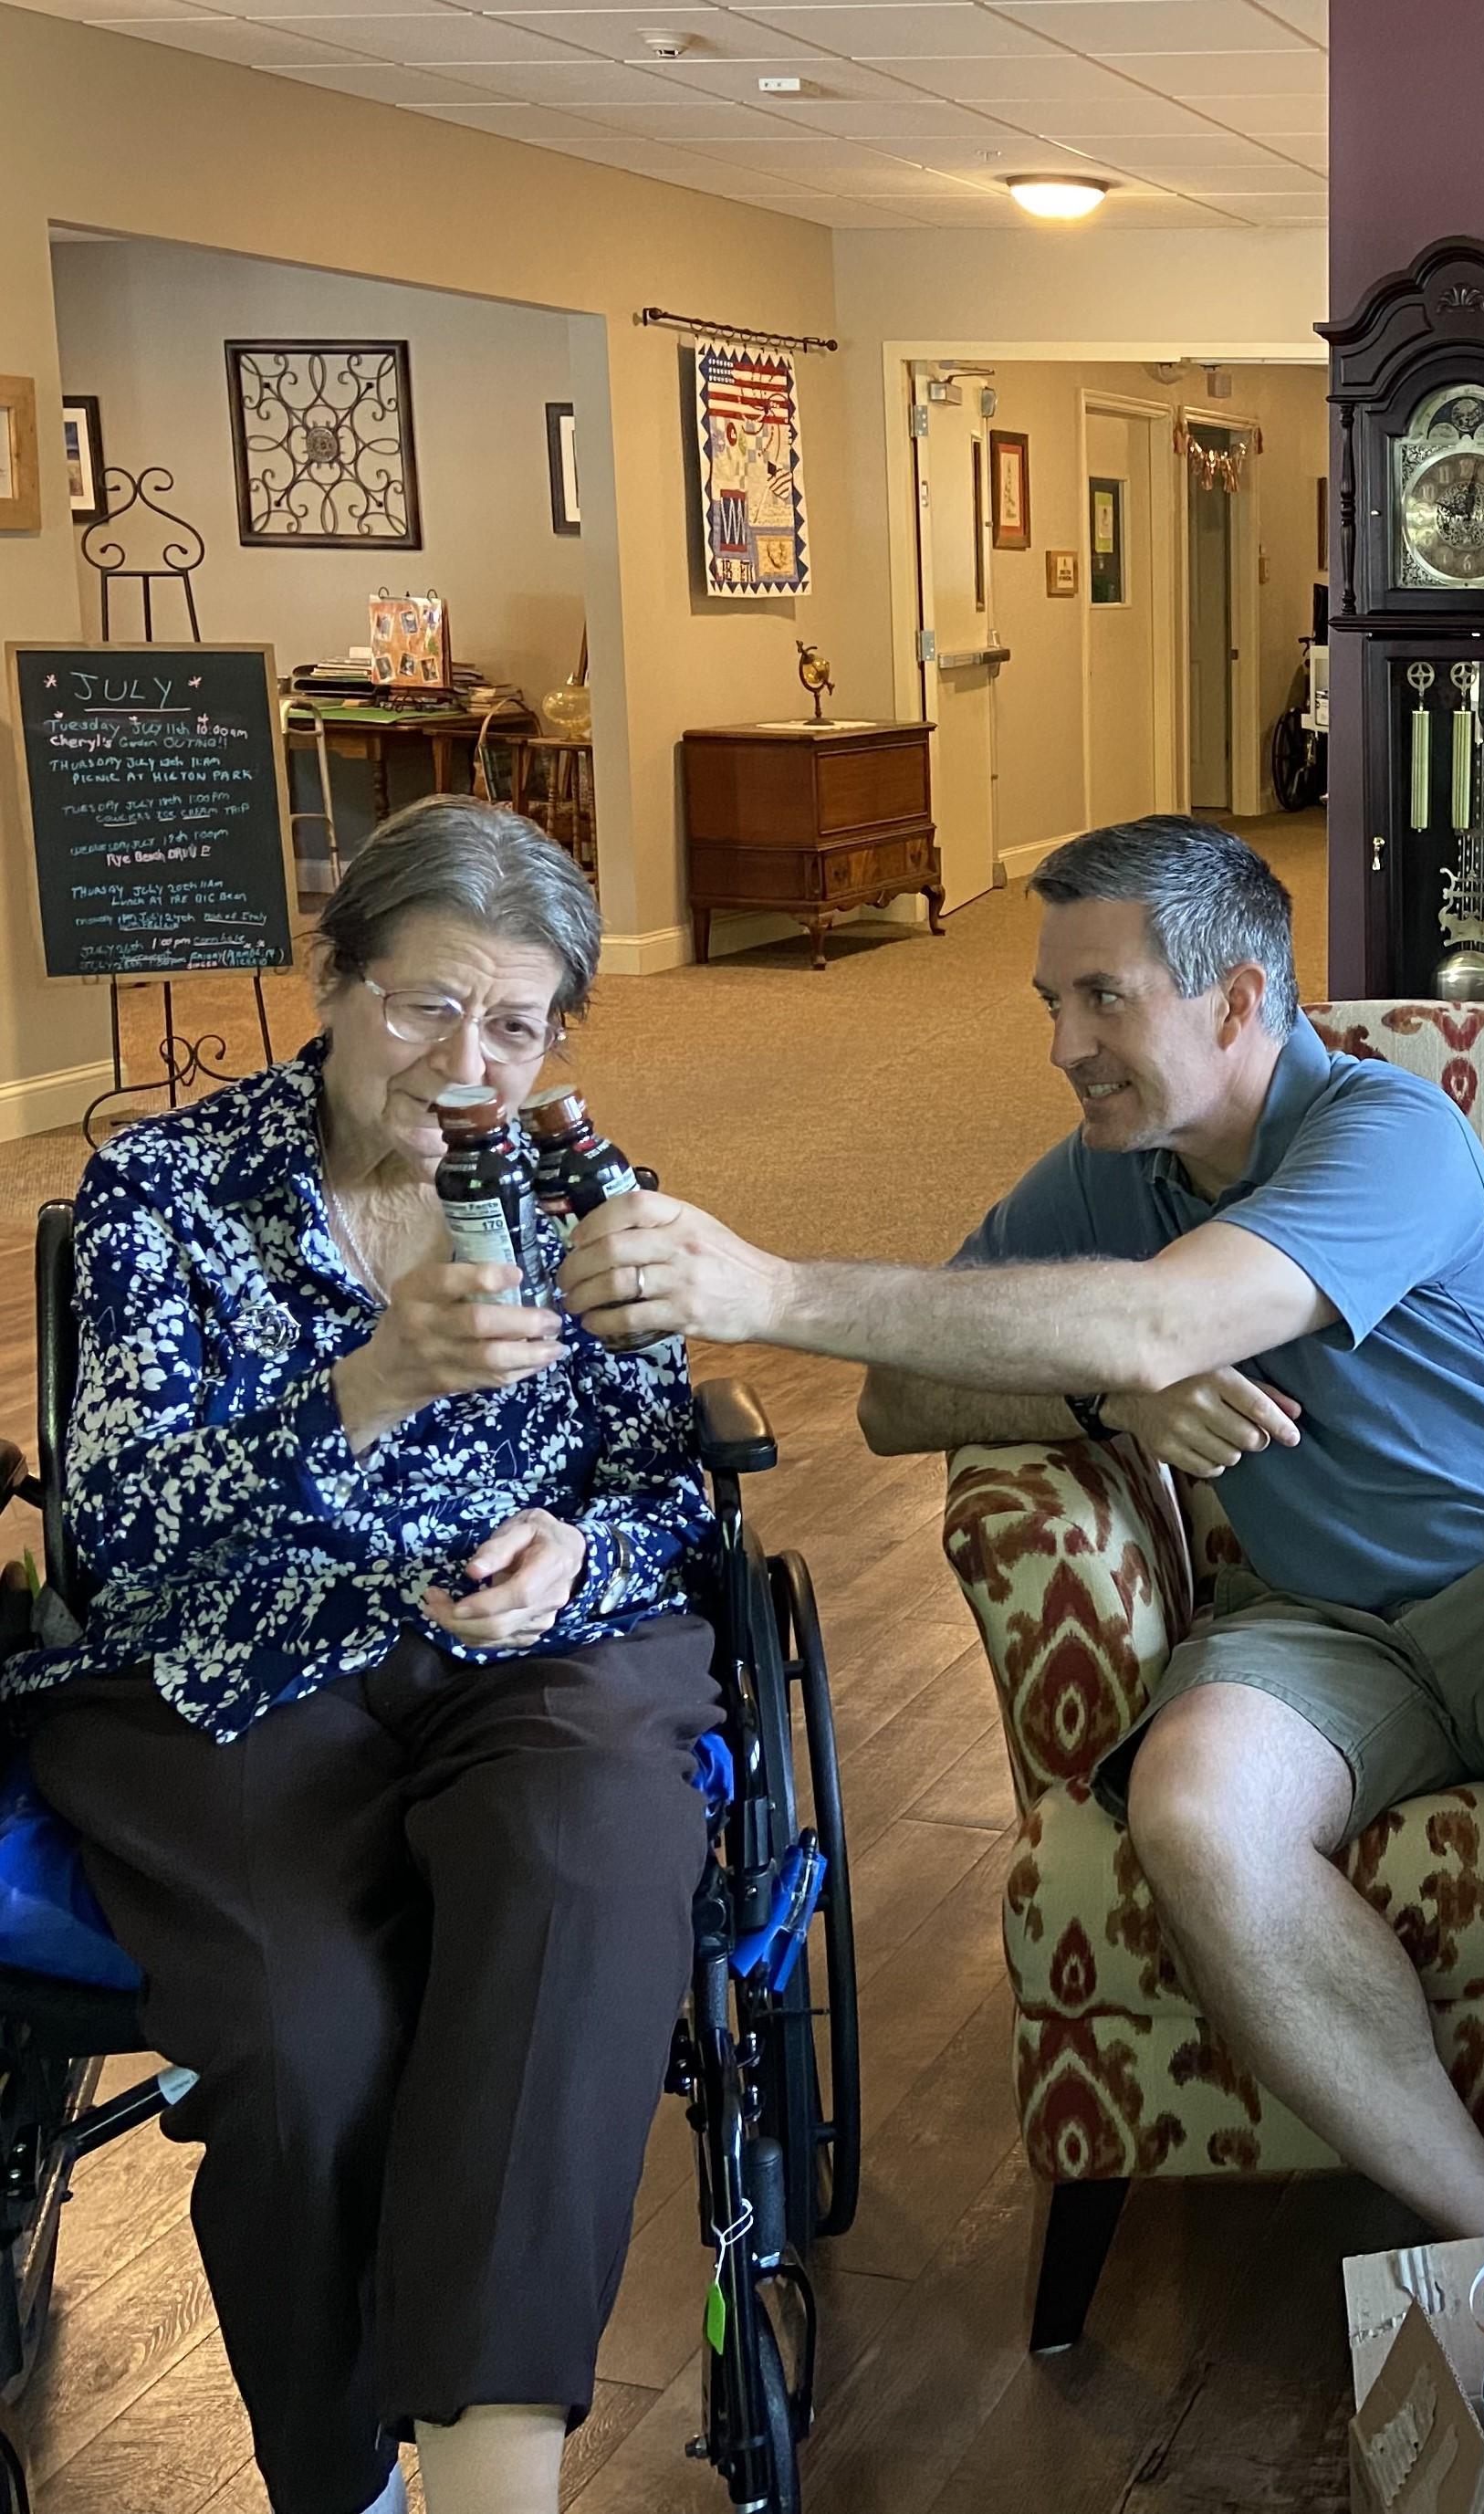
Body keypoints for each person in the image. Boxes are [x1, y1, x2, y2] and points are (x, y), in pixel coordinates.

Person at [555, 814, 1484, 2236]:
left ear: (1236, 1001)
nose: (1064, 1045)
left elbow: (1169, 1314)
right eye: (1054, 1002)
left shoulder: (1389, 1133)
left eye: (1104, 997)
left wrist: (772, 1290)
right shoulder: (1119, 1165)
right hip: (1320, 1619)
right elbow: (897, 1404)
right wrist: (1115, 1407)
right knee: (1196, 1814)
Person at [2, 800, 716, 2514]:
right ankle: (342, 2481)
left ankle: (493, 2479)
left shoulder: (581, 1193)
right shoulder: (163, 1191)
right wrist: (366, 1384)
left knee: (581, 1861)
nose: (469, 1061)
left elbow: (674, 1479)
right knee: (301, 2029)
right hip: (239, 1669)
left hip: (538, 1653)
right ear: (331, 984)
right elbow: (119, 1520)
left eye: (518, 1023)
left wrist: (579, 1549)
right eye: (422, 1005)